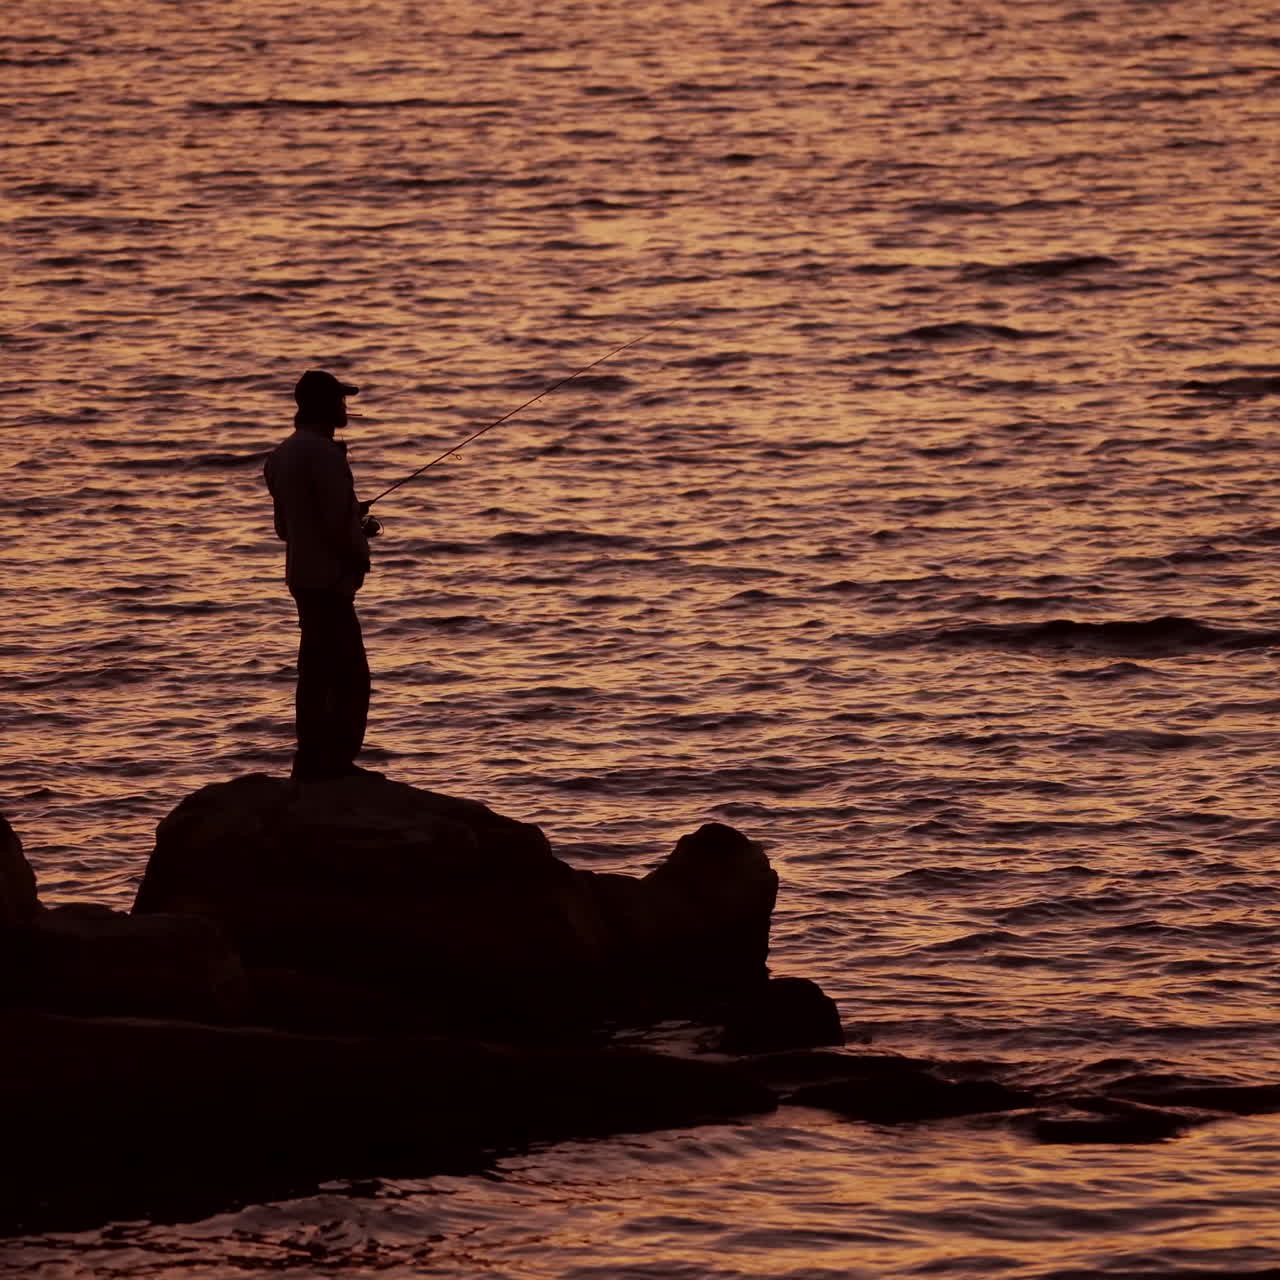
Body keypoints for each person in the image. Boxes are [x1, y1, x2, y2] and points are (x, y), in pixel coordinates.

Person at [264, 369, 381, 781]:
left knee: (314, 672)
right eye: (338, 400)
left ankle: (311, 760)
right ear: (322, 406)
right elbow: (335, 524)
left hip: (301, 577)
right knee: (351, 676)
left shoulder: (280, 457)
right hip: (331, 583)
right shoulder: (325, 456)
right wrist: (359, 552)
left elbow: (285, 527)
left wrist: (350, 518)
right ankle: (337, 764)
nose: (343, 406)